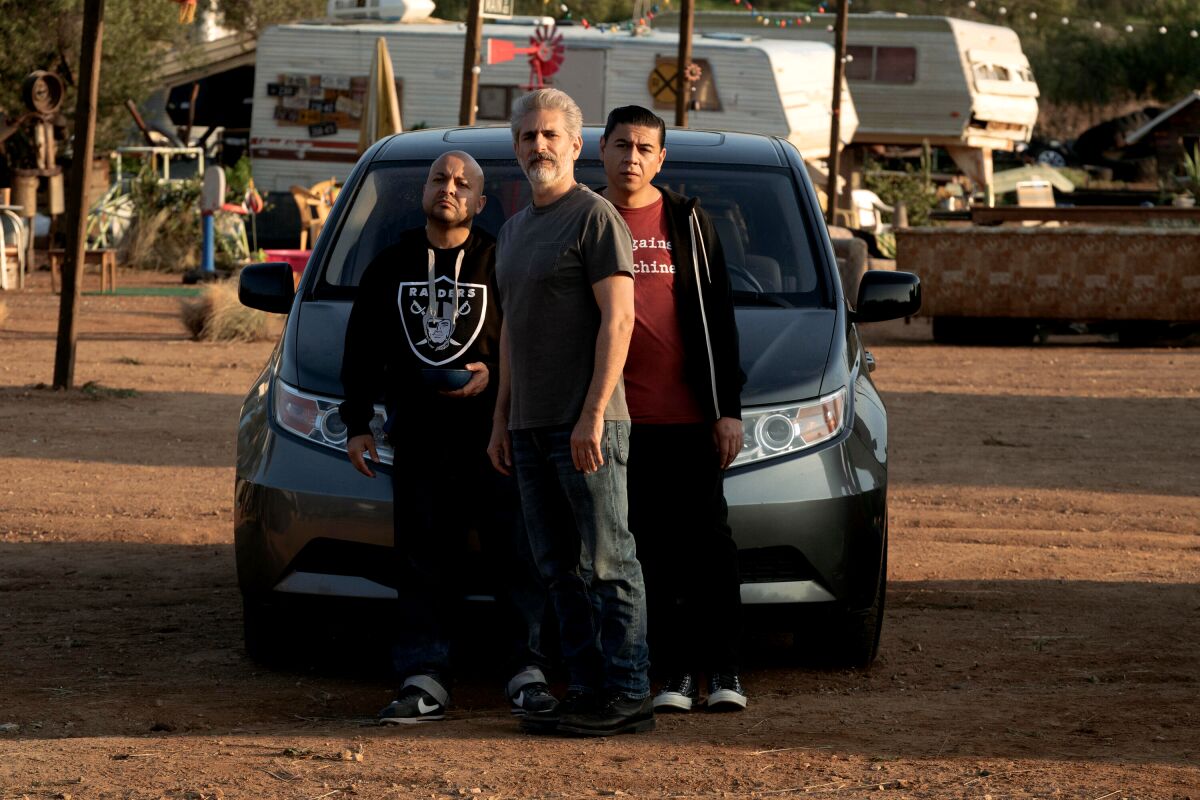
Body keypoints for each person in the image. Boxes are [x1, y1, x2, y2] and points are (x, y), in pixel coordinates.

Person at [339, 151, 555, 724]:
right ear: (425, 191)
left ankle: (526, 672)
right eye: (440, 178)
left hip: (497, 440)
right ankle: (424, 676)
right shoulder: (390, 264)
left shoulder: (502, 258)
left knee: (517, 557)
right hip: (418, 439)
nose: (450, 188)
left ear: (480, 202)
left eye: (463, 183)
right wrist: (357, 423)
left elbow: (532, 338)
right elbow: (360, 348)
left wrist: (494, 375)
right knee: (423, 559)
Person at [487, 89, 652, 737]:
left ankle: (630, 690)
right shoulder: (516, 229)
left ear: (576, 145)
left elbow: (621, 319)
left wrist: (591, 415)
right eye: (527, 136)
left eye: (551, 135)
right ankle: (585, 688)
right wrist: (503, 420)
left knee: (611, 561)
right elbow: (510, 334)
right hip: (528, 428)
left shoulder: (594, 217)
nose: (539, 146)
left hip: (589, 427)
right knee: (558, 571)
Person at [598, 105, 748, 712]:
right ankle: (675, 676)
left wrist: (726, 408)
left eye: (644, 148)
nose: (631, 157)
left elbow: (719, 316)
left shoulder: (686, 220)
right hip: (617, 424)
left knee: (709, 547)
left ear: (661, 159)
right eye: (621, 145)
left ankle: (727, 672)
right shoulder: (587, 218)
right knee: (646, 553)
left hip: (689, 418)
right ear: (601, 151)